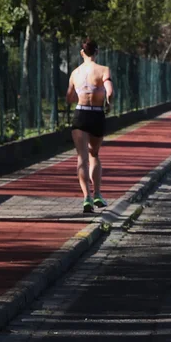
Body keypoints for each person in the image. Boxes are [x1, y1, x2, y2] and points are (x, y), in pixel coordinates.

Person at [66, 39, 113, 213]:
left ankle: (86, 197)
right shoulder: (103, 70)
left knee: (81, 157)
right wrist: (108, 102)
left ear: (82, 53)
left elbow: (69, 97)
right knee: (94, 154)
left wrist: (78, 96)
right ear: (97, 52)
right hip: (96, 114)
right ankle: (98, 193)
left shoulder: (75, 73)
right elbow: (110, 90)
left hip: (81, 114)